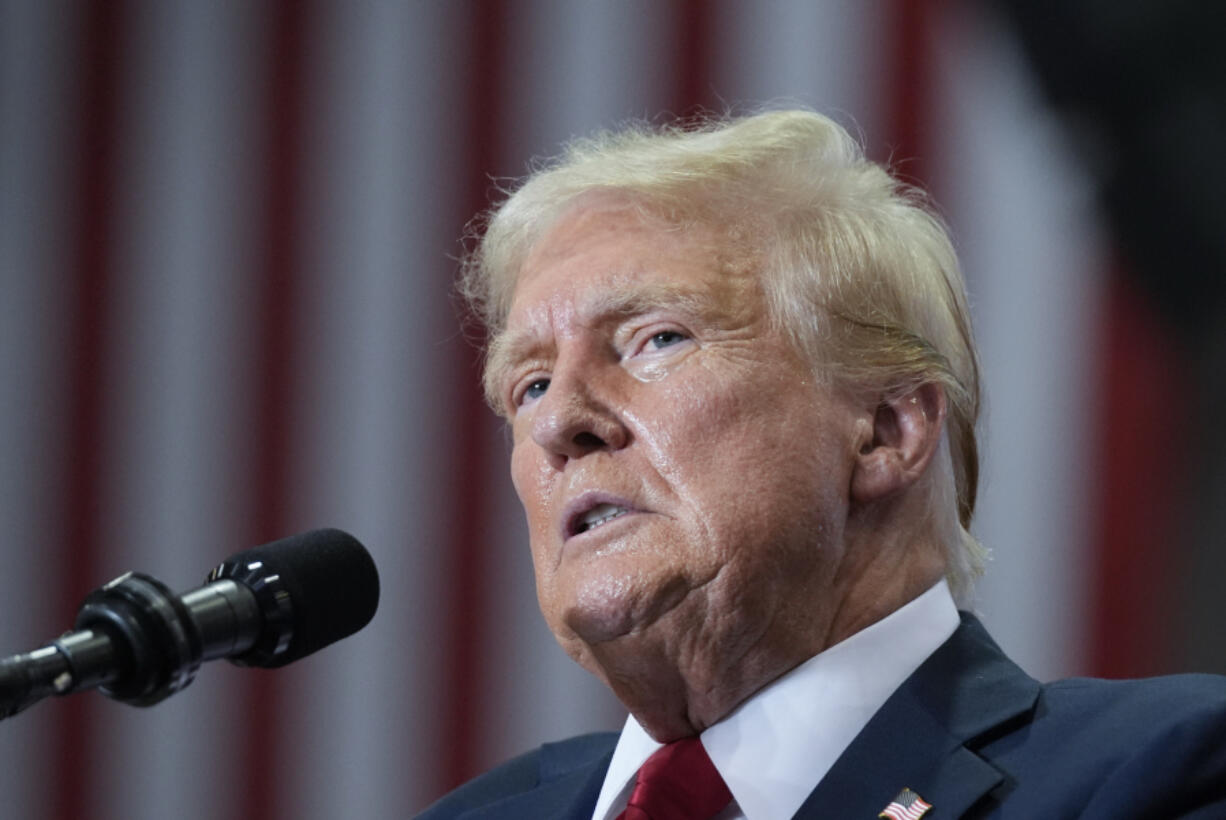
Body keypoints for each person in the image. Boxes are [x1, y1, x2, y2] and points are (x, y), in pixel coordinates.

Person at [420, 110, 1226, 819]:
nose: (560, 421)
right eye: (527, 385)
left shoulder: (1159, 775)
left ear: (886, 430)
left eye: (657, 339)